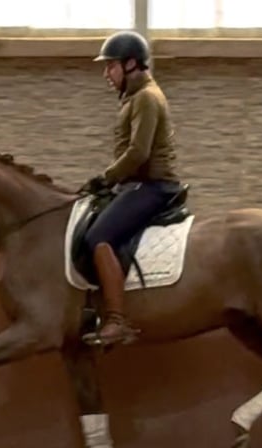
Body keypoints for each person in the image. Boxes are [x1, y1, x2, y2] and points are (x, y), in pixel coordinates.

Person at [80, 30, 184, 347]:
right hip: (137, 184)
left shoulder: (147, 98)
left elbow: (139, 152)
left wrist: (107, 178)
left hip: (154, 186)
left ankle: (116, 321)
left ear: (130, 64)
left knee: (98, 238)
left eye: (110, 66)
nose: (106, 74)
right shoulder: (135, 98)